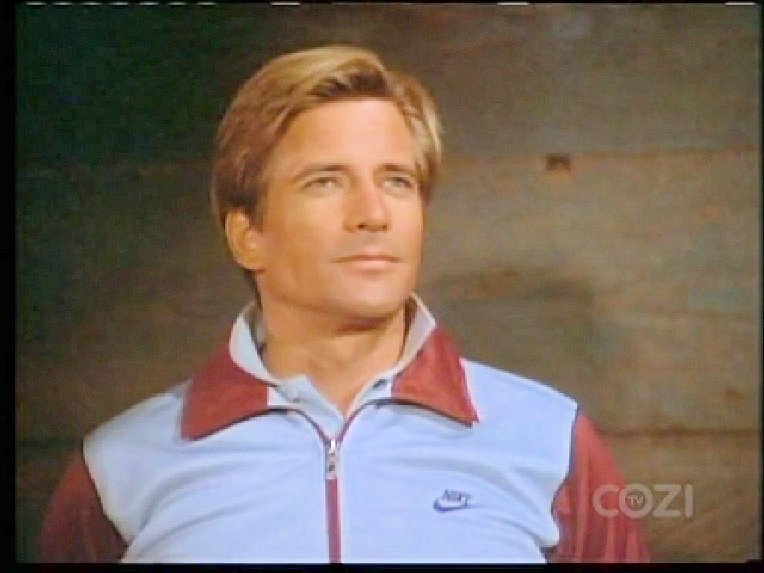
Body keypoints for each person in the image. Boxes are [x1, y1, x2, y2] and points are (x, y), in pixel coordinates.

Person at [38, 45, 650, 563]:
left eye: (397, 181)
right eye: (326, 182)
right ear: (248, 234)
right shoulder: (119, 469)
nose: (373, 214)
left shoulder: (551, 444)